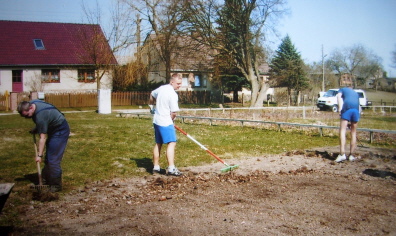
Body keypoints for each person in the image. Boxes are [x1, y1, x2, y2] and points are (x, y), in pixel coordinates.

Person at [17, 100, 70, 192]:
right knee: (49, 158)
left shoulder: (40, 116)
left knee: (53, 159)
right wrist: (37, 128)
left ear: (31, 108)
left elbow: (43, 138)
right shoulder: (33, 103)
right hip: (53, 127)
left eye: (27, 115)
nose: (26, 118)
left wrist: (39, 155)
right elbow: (45, 119)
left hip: (60, 131)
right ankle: (44, 180)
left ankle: (55, 185)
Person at [149, 73, 183, 176]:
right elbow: (173, 113)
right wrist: (171, 121)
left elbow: (152, 94)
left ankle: (156, 167)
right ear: (172, 82)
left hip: (157, 121)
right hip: (165, 122)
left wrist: (151, 106)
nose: (179, 85)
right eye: (178, 83)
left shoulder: (162, 88)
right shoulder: (173, 94)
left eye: (180, 83)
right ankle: (171, 168)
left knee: (158, 143)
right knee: (172, 143)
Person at [335, 86, 360, 162]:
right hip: (356, 110)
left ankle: (342, 154)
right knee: (353, 132)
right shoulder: (356, 93)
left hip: (347, 109)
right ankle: (351, 155)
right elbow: (359, 106)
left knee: (342, 130)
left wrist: (340, 109)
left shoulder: (341, 89)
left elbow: (338, 97)